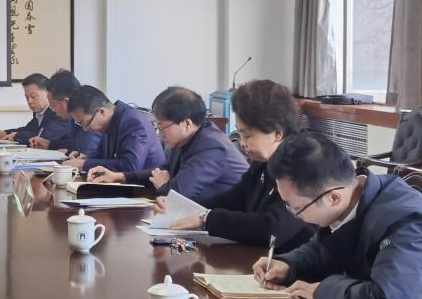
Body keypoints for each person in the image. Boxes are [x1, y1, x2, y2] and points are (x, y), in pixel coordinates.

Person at [252, 131, 422, 299]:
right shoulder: (352, 199)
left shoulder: (408, 220)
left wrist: (322, 290)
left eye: (296, 208)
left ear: (333, 197)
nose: (294, 215)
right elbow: (321, 249)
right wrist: (288, 265)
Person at [156, 80, 314, 251]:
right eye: (240, 133)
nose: (242, 143)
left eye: (247, 136)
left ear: (277, 133)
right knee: (176, 252)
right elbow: (234, 199)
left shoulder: (303, 164)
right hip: (258, 255)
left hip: (290, 262)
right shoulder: (263, 161)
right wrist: (183, 208)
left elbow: (272, 229)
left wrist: (207, 219)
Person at [93, 87, 247, 200]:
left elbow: (180, 195)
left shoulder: (211, 146)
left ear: (186, 124)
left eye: (161, 127)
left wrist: (163, 185)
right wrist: (119, 177)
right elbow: (161, 171)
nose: (159, 133)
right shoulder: (185, 140)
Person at [66, 85, 165, 177]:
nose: (85, 129)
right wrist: (86, 158)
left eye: (86, 123)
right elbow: (103, 156)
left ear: (102, 112)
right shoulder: (110, 122)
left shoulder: (133, 121)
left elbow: (129, 167)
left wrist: (84, 164)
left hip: (146, 187)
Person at [29, 69, 101, 156]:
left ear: (65, 102)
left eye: (53, 105)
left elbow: (87, 154)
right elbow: (73, 144)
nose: (53, 110)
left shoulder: (89, 117)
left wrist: (68, 152)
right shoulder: (73, 119)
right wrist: (49, 144)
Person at [0, 73, 69, 146]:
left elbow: (44, 137)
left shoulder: (59, 112)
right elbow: (29, 130)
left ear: (47, 93)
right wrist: (5, 133)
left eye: (33, 97)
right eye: (27, 97)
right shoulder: (39, 113)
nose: (29, 101)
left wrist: (16, 135)